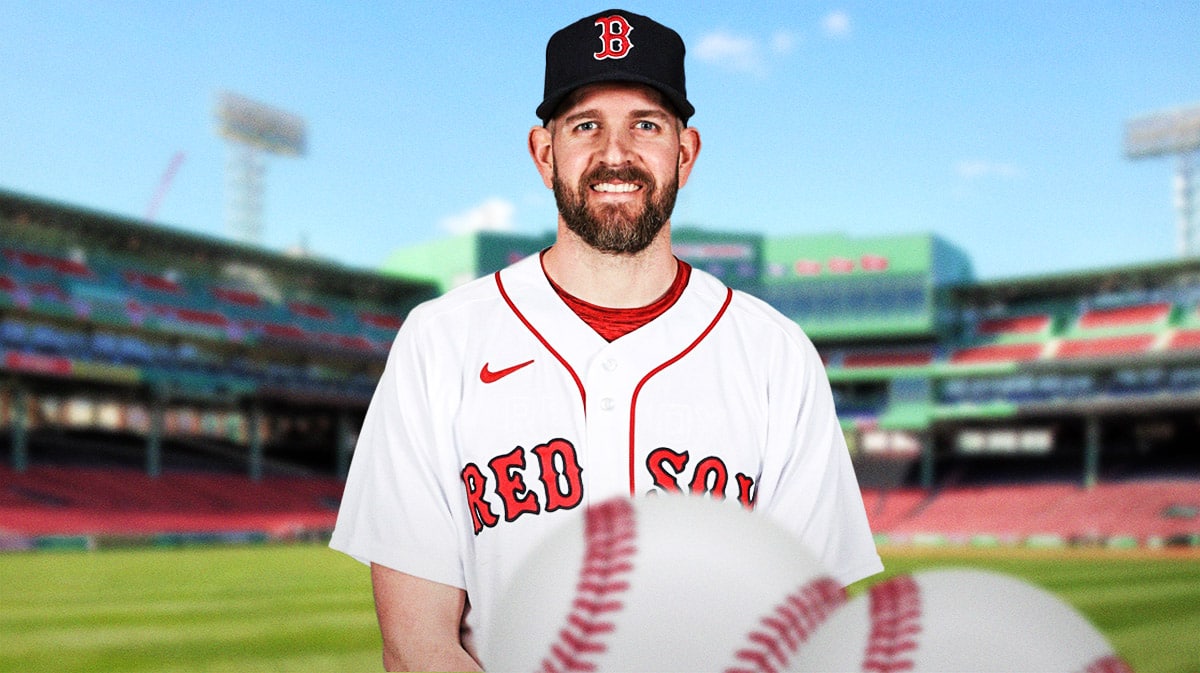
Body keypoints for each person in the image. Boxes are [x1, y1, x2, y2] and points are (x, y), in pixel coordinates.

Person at [331, 8, 882, 671]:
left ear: (686, 152)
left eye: (645, 125)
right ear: (544, 152)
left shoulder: (775, 355)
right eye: (585, 125)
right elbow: (417, 645)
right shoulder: (440, 342)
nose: (615, 154)